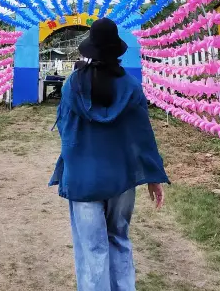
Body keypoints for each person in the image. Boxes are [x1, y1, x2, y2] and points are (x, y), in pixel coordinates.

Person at [49, 18, 170, 291]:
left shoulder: (72, 85)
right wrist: (153, 176)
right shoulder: (130, 87)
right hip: (121, 179)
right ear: (117, 50)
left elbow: (66, 132)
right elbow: (143, 136)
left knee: (92, 249)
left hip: (83, 179)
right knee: (119, 239)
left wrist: (69, 166)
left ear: (89, 50)